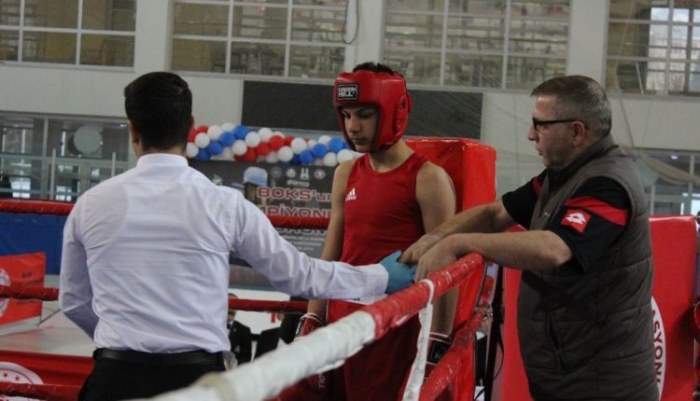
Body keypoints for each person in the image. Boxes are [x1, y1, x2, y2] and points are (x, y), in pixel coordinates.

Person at [58, 71, 417, 401]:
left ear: (133, 131)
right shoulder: (224, 204)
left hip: (114, 377)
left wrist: (121, 347)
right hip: (198, 379)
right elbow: (298, 275)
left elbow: (74, 301)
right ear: (191, 128)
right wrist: (381, 277)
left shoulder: (89, 205)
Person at [403, 75, 658, 400]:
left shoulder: (608, 184)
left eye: (541, 125)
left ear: (577, 132)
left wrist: (458, 244)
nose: (530, 135)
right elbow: (496, 214)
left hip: (602, 386)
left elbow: (554, 249)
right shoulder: (561, 176)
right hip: (566, 375)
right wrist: (434, 238)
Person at [289, 62, 457, 401]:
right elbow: (331, 254)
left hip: (393, 328)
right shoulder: (346, 173)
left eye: (364, 114)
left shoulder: (427, 178)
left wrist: (439, 340)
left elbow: (447, 265)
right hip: (340, 322)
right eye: (348, 115)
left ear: (394, 112)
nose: (353, 126)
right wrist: (312, 317)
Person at [227, 294, 252, 367]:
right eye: (230, 304)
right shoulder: (212, 327)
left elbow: (245, 359)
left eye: (235, 305)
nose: (232, 308)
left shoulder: (244, 331)